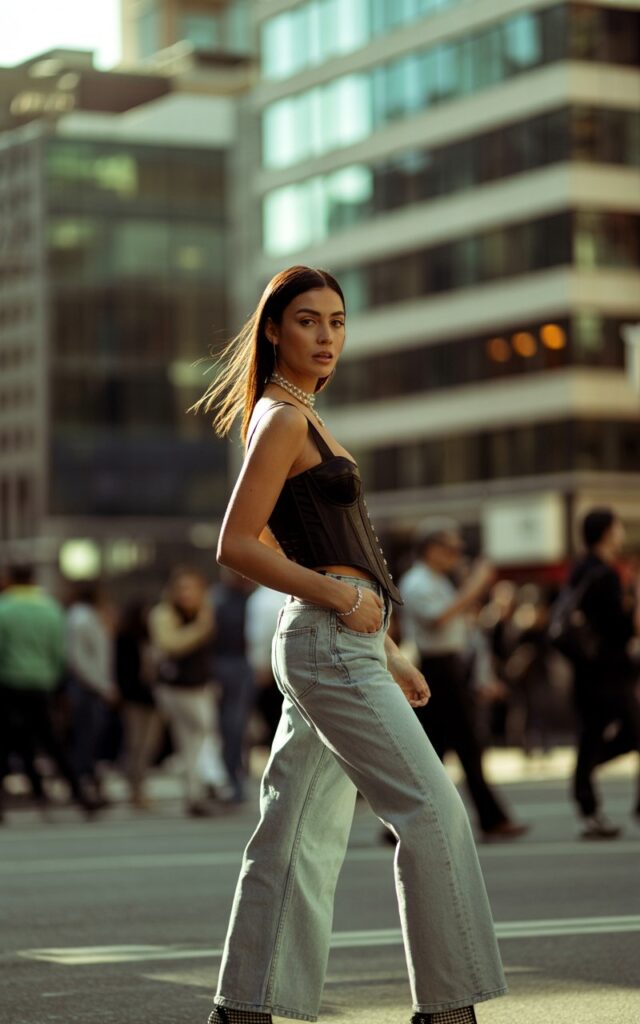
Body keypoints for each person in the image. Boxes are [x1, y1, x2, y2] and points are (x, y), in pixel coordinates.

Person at [192, 266, 507, 1024]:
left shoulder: (304, 416)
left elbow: (302, 537)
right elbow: (236, 545)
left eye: (337, 321)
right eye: (308, 321)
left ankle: (245, 1008)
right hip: (328, 638)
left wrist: (386, 642)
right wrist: (339, 597)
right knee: (433, 811)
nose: (326, 336)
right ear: (274, 329)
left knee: (293, 832)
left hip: (338, 640)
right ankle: (449, 1009)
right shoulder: (283, 419)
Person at [399, 518, 529, 841]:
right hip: (435, 667)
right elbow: (438, 618)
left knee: (437, 749)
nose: (456, 554)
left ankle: (406, 822)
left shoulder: (438, 580)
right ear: (431, 549)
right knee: (465, 745)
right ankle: (491, 818)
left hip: (450, 666)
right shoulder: (417, 582)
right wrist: (475, 586)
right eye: (450, 548)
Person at [0, 565, 97, 821]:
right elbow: (59, 651)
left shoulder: (4, 609)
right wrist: (55, 681)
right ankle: (78, 793)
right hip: (42, 683)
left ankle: (30, 795)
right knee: (51, 741)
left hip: (9, 682)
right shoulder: (50, 609)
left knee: (9, 742)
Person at [567, 508, 640, 838]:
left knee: (592, 738)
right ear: (608, 532)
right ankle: (586, 790)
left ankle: (586, 792)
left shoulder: (580, 569)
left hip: (588, 671)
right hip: (608, 672)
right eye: (618, 526)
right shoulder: (604, 574)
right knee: (608, 736)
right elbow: (621, 629)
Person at [149, 566, 230, 816]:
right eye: (182, 588)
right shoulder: (165, 614)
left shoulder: (204, 611)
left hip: (200, 687)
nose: (188, 594)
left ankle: (197, 792)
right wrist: (200, 628)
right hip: (177, 689)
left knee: (196, 741)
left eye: (193, 588)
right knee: (198, 736)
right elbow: (171, 644)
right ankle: (204, 788)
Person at [66, 582, 119, 806]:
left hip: (92, 687)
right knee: (86, 742)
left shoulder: (87, 617)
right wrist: (103, 686)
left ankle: (88, 787)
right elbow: (80, 659)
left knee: (90, 741)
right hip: (87, 688)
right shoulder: (82, 618)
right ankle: (83, 790)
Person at [210, 569, 256, 803]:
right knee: (229, 727)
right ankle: (230, 778)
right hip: (224, 665)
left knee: (238, 726)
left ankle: (236, 777)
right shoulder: (217, 599)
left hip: (243, 665)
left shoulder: (250, 597)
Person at [115, 599, 163, 810]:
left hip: (152, 698)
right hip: (135, 699)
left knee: (148, 746)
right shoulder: (125, 638)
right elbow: (123, 670)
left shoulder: (150, 637)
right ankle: (135, 788)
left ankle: (140, 787)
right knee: (135, 745)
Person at [245, 585, 285, 745]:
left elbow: (258, 637)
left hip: (273, 668)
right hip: (276, 669)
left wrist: (259, 664)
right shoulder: (266, 598)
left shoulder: (262, 598)